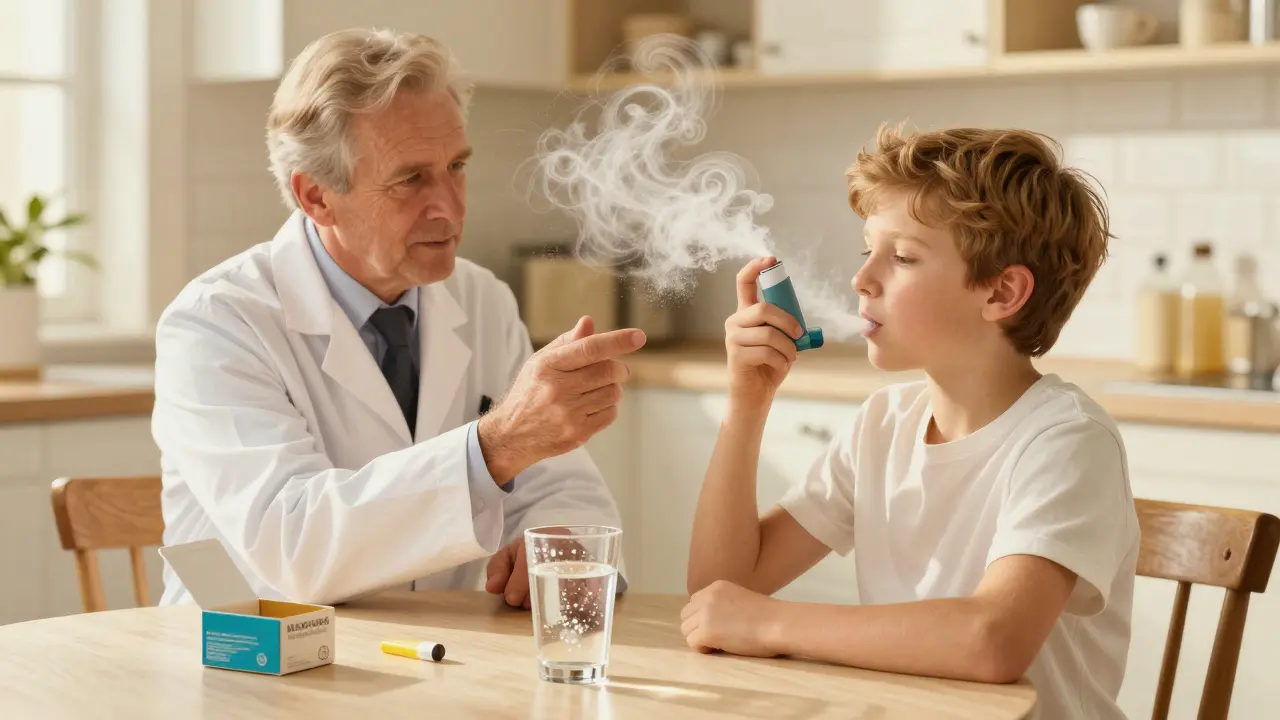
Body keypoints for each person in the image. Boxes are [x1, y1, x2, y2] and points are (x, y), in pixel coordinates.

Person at [152, 28, 643, 608]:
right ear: (315, 196)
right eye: (410, 178)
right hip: (256, 676)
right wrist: (496, 447)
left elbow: (558, 483)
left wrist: (558, 535)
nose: (451, 206)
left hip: (432, 666)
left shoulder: (482, 298)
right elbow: (294, 545)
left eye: (456, 166)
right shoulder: (216, 325)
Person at [681, 125, 1139, 719]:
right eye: (866, 250)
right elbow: (721, 589)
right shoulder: (883, 425)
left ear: (1002, 292)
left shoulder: (1068, 441)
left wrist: (769, 624)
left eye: (901, 257)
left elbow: (992, 641)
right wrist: (748, 402)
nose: (862, 278)